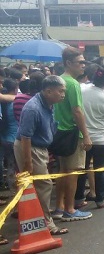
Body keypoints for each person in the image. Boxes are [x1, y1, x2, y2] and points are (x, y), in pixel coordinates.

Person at [15, 75, 69, 236]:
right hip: (31, 148)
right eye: (60, 91)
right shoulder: (33, 108)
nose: (63, 95)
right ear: (48, 91)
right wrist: (28, 162)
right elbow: (26, 137)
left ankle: (34, 217)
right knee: (44, 184)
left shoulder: (48, 104)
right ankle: (47, 223)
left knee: (37, 184)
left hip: (39, 148)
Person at [53, 47, 93, 222]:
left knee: (63, 170)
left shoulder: (59, 80)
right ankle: (69, 209)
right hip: (71, 132)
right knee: (73, 171)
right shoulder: (73, 83)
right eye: (80, 62)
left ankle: (59, 207)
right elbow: (77, 111)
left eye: (84, 62)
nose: (83, 66)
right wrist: (86, 135)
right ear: (68, 63)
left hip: (58, 131)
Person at [76, 65, 104, 209]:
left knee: (82, 169)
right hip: (102, 138)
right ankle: (100, 199)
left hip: (83, 136)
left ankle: (79, 198)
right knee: (100, 169)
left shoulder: (81, 90)